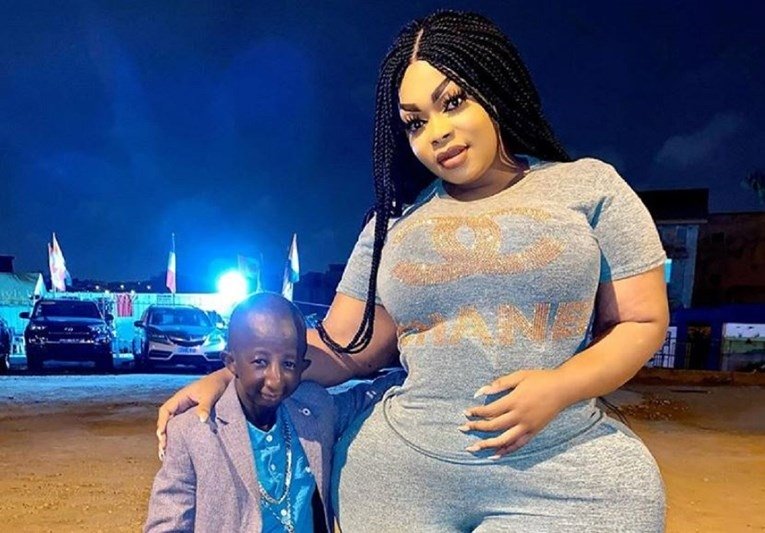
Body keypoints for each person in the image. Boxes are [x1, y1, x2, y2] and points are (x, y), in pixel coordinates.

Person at [157, 10, 669, 532]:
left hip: (560, 467)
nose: (437, 134)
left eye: (453, 102)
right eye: (416, 122)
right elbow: (343, 347)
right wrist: (230, 374)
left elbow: (641, 320)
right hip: (402, 477)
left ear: (494, 88)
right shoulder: (394, 224)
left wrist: (559, 387)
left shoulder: (588, 188)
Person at [145, 292, 403, 532]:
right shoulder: (194, 430)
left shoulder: (316, 408)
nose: (276, 379)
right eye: (260, 362)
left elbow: (365, 397)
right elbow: (167, 525)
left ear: (303, 366)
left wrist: (417, 364)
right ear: (231, 362)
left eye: (288, 364)